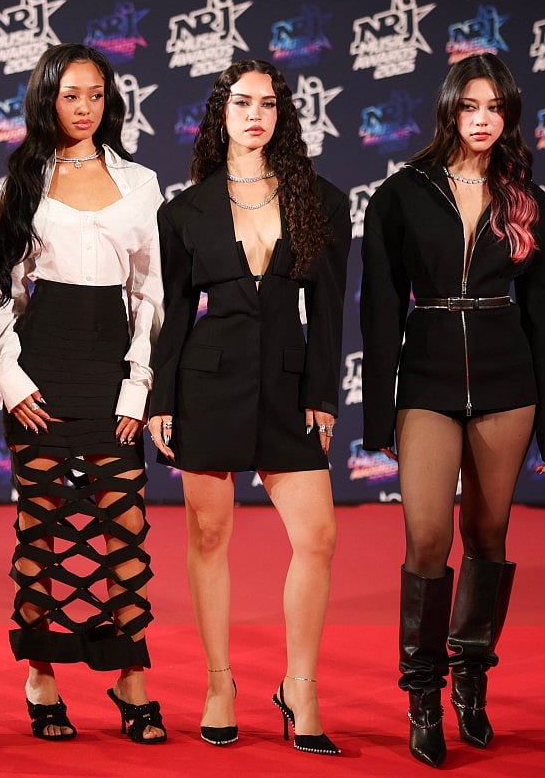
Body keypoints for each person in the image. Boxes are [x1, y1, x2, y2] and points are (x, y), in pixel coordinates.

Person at [360, 54, 545, 768]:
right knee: (426, 540)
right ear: (449, 109)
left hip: (509, 380)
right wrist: (375, 414)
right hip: (427, 379)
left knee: (487, 534)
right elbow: (380, 309)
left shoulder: (525, 199)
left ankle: (471, 684)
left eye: (495, 107)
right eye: (470, 105)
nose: (482, 119)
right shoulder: (401, 194)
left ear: (508, 115)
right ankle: (422, 696)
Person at [147, 59, 349, 756]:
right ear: (220, 113)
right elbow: (172, 313)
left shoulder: (320, 199)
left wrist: (322, 395)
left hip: (289, 388)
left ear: (282, 114)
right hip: (208, 382)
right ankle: (218, 683)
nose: (255, 114)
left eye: (267, 103)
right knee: (208, 538)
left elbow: (328, 314)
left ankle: (301, 686)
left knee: (317, 537)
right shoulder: (186, 209)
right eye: (242, 102)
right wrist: (161, 396)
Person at [0, 43, 166, 744]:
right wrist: (12, 379)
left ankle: (132, 679)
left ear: (109, 101)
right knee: (41, 527)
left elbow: (152, 294)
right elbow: (1, 289)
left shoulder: (143, 182)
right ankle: (41, 677)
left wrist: (137, 386)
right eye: (69, 95)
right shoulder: (23, 179)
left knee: (123, 528)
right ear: (47, 101)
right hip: (42, 368)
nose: (84, 108)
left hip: (110, 366)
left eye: (95, 95)